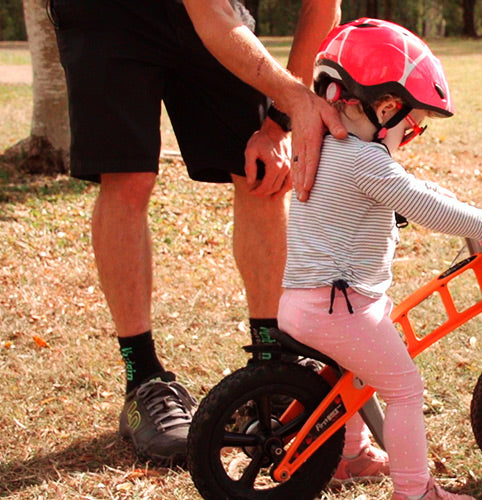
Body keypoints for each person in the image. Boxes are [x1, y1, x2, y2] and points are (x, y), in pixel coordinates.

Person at [50, 0, 347, 466]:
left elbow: (323, 5)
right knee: (128, 177)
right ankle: (142, 378)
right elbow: (212, 19)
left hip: (214, 12)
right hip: (108, 15)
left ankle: (273, 363)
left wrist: (279, 123)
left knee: (264, 168)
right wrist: (295, 99)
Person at [277, 18, 482, 500]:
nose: (410, 134)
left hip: (311, 301)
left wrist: (440, 194)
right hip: (337, 306)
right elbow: (421, 206)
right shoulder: (364, 160)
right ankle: (415, 492)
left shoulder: (326, 147)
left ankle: (350, 456)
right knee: (405, 389)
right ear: (385, 107)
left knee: (357, 372)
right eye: (412, 125)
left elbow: (405, 188)